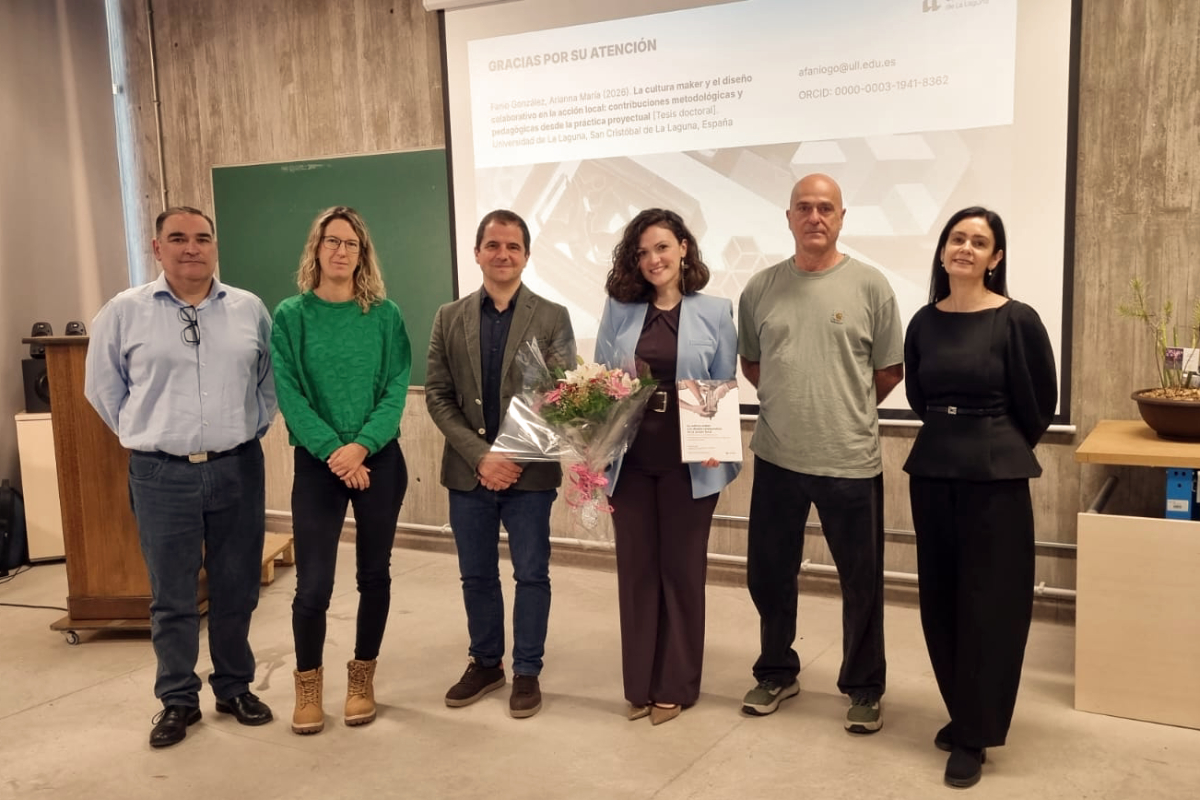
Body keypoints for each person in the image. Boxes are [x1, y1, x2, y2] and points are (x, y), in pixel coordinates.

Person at [84, 206, 277, 748]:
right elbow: (103, 389)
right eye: (178, 239)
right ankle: (177, 699)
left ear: (215, 245)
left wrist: (247, 430)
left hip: (237, 466)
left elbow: (268, 382)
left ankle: (235, 686)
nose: (191, 248)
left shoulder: (249, 309)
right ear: (157, 248)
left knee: (237, 587)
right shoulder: (124, 312)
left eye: (202, 238)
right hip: (160, 473)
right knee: (172, 595)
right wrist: (147, 431)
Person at [737, 174, 904, 732]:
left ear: (841, 217)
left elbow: (887, 371)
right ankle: (776, 671)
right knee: (769, 575)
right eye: (804, 208)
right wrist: (793, 406)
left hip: (849, 461)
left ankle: (863, 686)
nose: (814, 217)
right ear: (788, 217)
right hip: (778, 458)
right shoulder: (760, 289)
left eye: (825, 208)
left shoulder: (871, 287)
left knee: (861, 582)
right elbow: (754, 365)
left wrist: (840, 408)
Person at [903, 207, 1056, 789]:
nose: (965, 247)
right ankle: (964, 710)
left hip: (995, 476)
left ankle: (976, 734)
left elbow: (1038, 403)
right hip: (934, 469)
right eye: (957, 238)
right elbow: (920, 394)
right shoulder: (923, 321)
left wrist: (994, 443)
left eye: (979, 241)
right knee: (940, 598)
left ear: (996, 258)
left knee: (991, 604)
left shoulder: (1017, 319)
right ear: (943, 252)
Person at [425, 209, 576, 719]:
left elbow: (561, 396)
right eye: (493, 245)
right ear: (477, 253)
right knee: (476, 575)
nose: (503, 254)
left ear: (526, 255)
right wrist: (481, 455)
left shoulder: (553, 316)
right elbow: (439, 397)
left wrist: (509, 455)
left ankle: (527, 670)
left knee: (532, 574)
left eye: (513, 246)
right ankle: (487, 662)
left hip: (528, 472)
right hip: (469, 472)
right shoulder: (449, 317)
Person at [594, 209, 741, 726]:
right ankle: (639, 685)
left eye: (661, 247)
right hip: (630, 462)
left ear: (682, 247)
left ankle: (675, 685)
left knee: (681, 573)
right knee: (636, 573)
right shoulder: (620, 309)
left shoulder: (717, 311)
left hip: (690, 464)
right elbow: (599, 386)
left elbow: (723, 388)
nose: (652, 259)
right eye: (642, 252)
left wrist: (715, 451)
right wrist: (594, 450)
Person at [270, 206, 412, 734]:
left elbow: (395, 386)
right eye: (332, 241)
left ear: (362, 253)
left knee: (374, 574)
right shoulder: (290, 315)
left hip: (379, 461)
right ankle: (308, 687)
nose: (340, 250)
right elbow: (290, 391)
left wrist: (363, 446)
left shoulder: (385, 314)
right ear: (316, 248)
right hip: (318, 464)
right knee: (314, 583)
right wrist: (336, 451)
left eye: (351, 243)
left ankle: (361, 680)